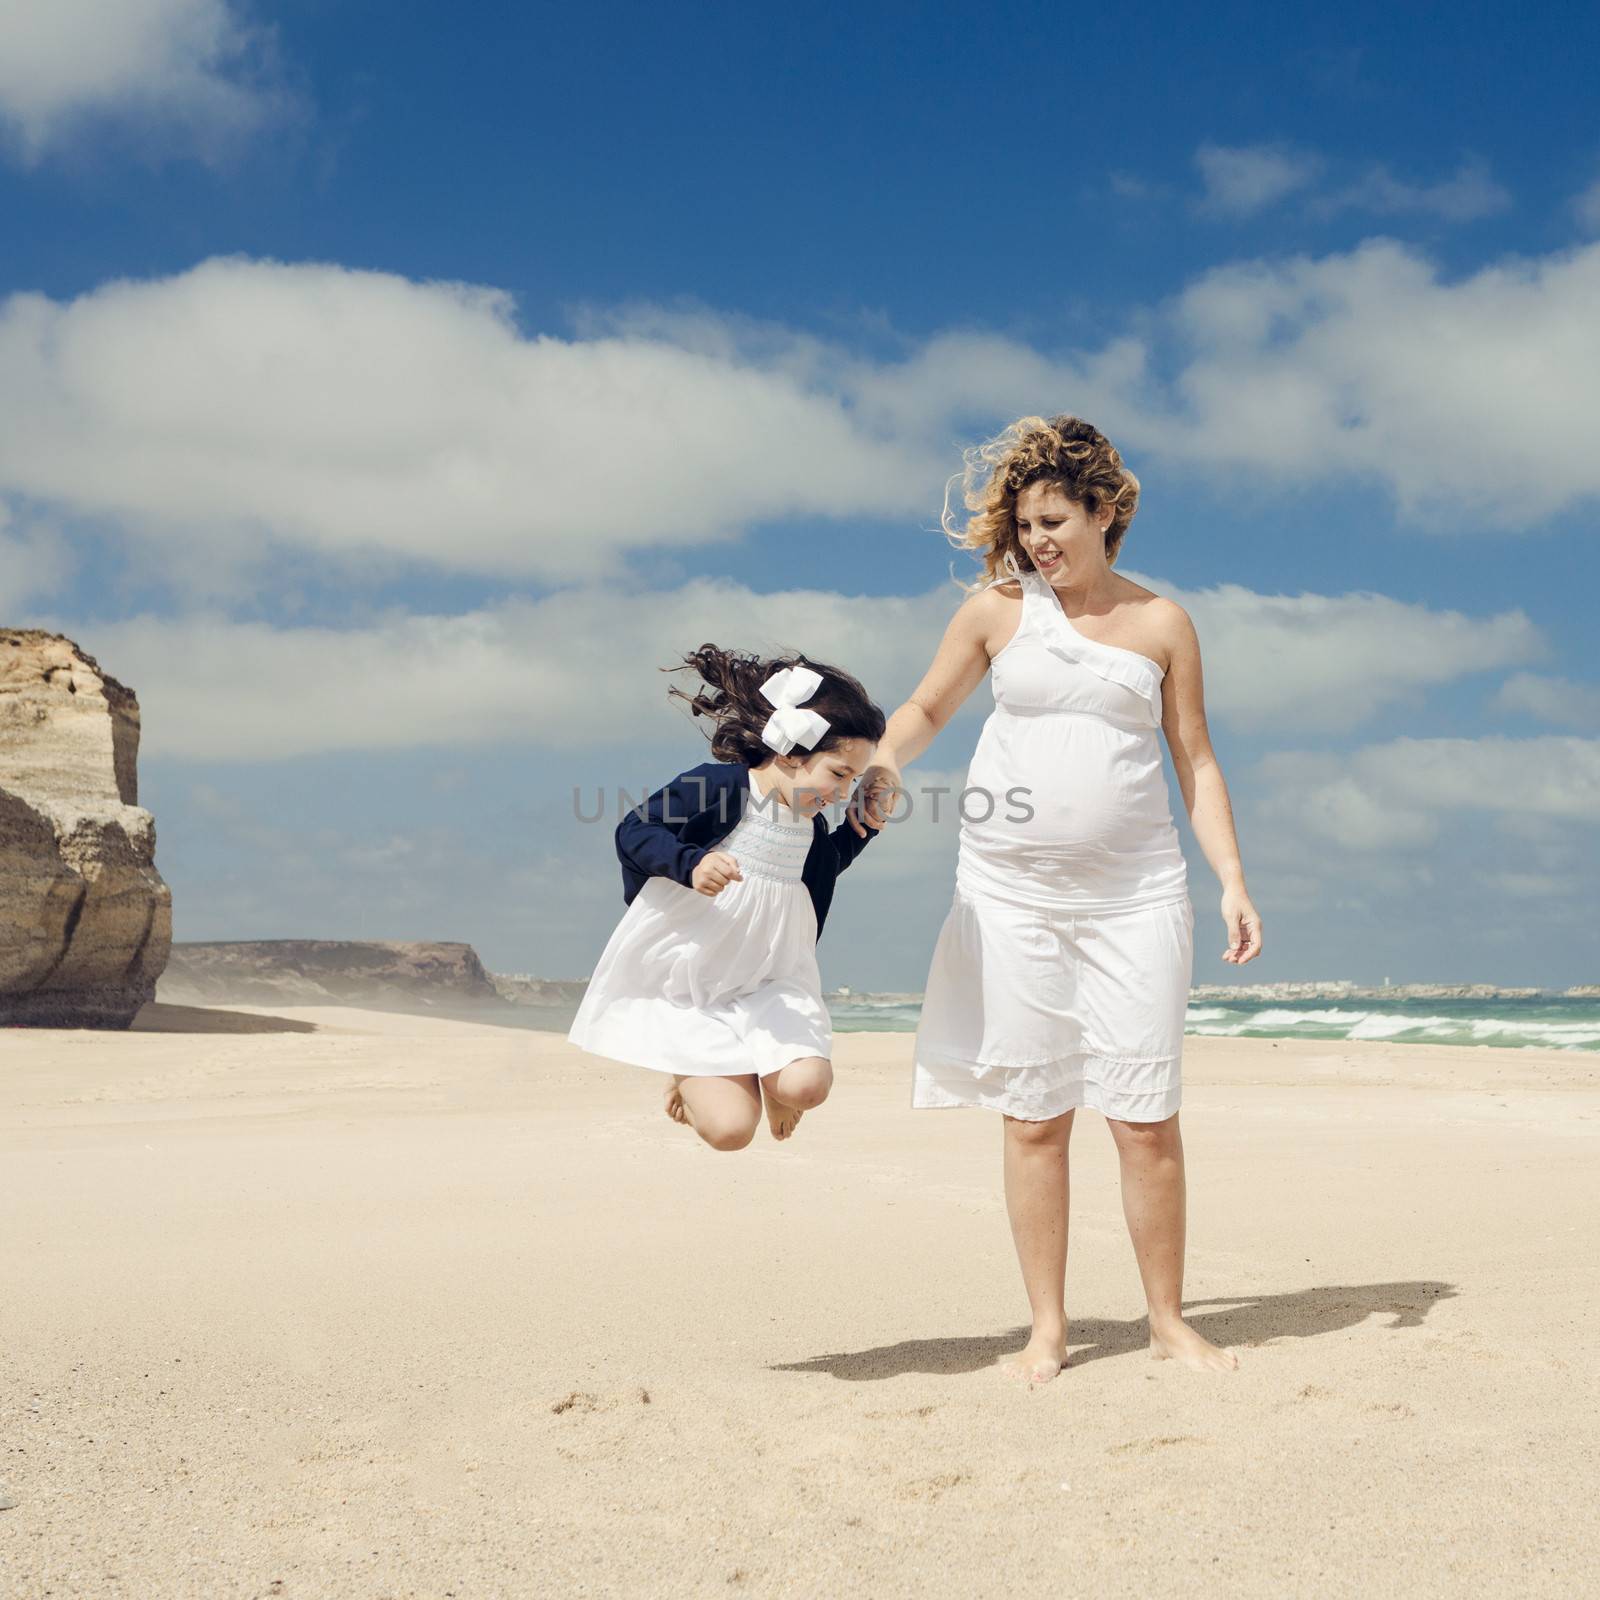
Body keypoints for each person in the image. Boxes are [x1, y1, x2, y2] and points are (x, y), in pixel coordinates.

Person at [853, 415, 1263, 1383]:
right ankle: (1047, 1327)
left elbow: (1194, 758)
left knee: (1143, 1117)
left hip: (1137, 896)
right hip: (1011, 897)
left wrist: (1233, 879)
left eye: (1053, 521)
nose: (1037, 540)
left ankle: (1165, 1318)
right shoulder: (998, 612)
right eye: (1025, 524)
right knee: (1034, 1115)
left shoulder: (1163, 623)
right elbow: (924, 708)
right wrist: (883, 760)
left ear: (1104, 512)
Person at [569, 645, 886, 1150]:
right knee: (731, 1132)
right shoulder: (717, 786)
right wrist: (689, 863)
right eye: (838, 774)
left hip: (772, 980)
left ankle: (775, 1081)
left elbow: (819, 869)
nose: (842, 791)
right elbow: (635, 829)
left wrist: (861, 829)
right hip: (697, 981)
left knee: (807, 1087)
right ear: (789, 751)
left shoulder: (812, 822)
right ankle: (689, 1077)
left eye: (851, 780)